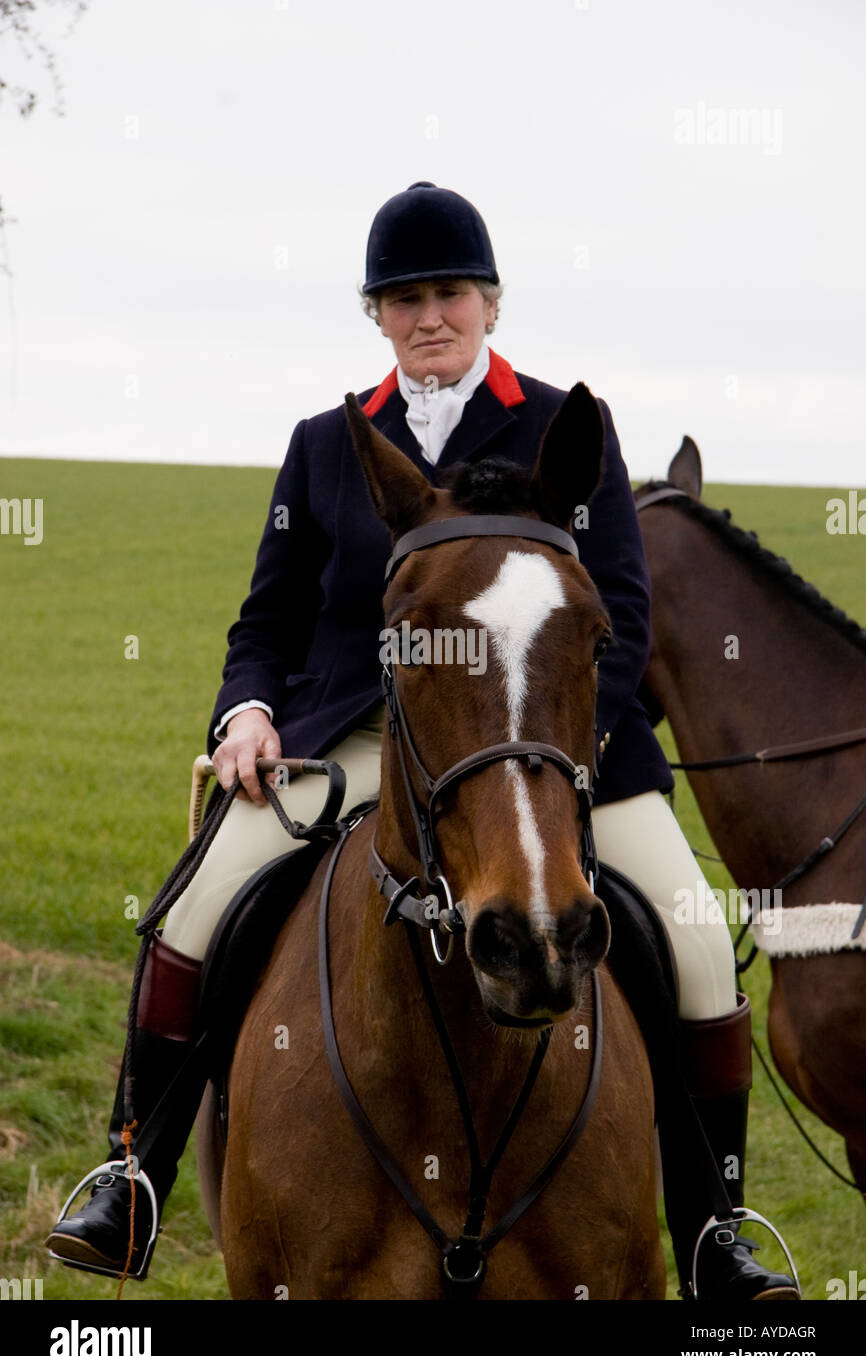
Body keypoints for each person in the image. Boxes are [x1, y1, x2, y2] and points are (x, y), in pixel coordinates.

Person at [46, 181, 796, 1300]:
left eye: (448, 292)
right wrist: (246, 713)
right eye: (402, 299)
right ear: (377, 317)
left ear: (488, 302)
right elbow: (267, 622)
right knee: (196, 910)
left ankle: (713, 1230)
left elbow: (620, 615)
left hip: (554, 741)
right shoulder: (323, 445)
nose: (427, 315)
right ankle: (130, 1179)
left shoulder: (561, 425)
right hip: (358, 737)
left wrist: (550, 745)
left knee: (690, 943)